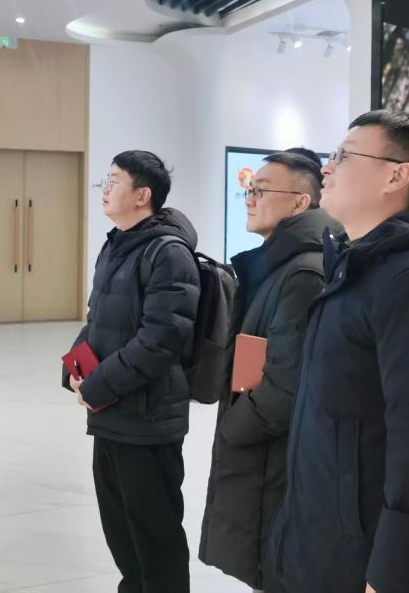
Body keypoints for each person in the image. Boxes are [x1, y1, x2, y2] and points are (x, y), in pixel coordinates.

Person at [265, 111, 409, 593]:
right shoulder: (358, 265)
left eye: (343, 156)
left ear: (396, 175)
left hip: (368, 561)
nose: (326, 167)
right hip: (330, 544)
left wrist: (392, 578)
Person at [199, 151, 342, 591]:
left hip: (274, 457)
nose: (249, 199)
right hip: (262, 449)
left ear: (300, 202)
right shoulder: (280, 265)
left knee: (277, 567)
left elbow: (287, 386)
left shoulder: (303, 274)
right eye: (249, 190)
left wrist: (234, 425)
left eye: (260, 191)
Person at [64, 150, 201, 593]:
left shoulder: (168, 253)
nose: (103, 189)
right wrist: (74, 370)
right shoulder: (116, 244)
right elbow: (96, 320)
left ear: (143, 195)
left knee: (155, 539)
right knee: (122, 533)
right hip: (111, 414)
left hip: (148, 420)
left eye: (113, 180)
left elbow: (161, 339)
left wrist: (97, 386)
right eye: (104, 180)